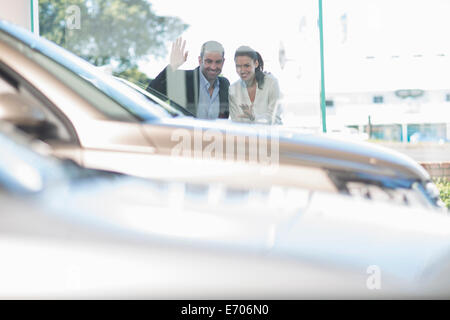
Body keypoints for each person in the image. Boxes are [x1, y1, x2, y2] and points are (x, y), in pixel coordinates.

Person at [147, 38, 230, 119]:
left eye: (218, 62)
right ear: (200, 60)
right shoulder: (181, 79)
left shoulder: (225, 84)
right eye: (209, 61)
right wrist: (172, 67)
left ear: (223, 62)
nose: (213, 67)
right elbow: (149, 99)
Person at [228, 46, 282, 124]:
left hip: (272, 134)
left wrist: (254, 117)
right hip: (246, 136)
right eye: (238, 66)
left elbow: (275, 118)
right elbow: (236, 122)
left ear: (256, 63)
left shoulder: (271, 83)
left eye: (247, 65)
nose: (242, 70)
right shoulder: (233, 89)